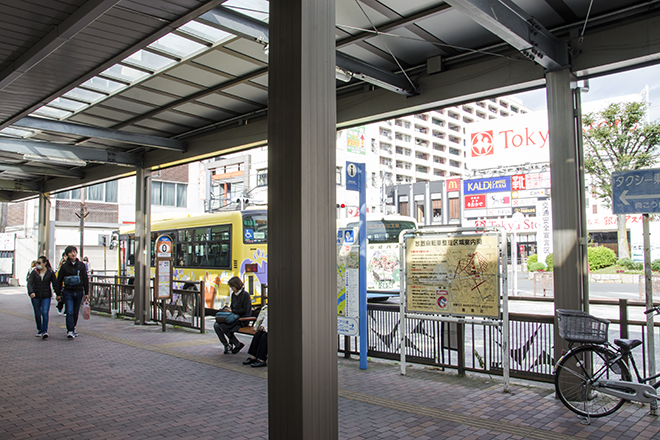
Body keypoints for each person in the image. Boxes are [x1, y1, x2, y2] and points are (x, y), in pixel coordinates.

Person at [54, 246, 89, 339]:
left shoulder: (81, 265)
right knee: (69, 311)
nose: (73, 254)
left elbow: (85, 278)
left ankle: (72, 328)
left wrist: (86, 292)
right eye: (70, 252)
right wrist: (58, 293)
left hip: (78, 291)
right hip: (68, 291)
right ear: (67, 255)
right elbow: (59, 280)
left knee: (75, 311)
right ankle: (70, 330)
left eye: (74, 252)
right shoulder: (64, 266)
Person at [213, 276, 251, 354]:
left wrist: (232, 310)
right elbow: (232, 307)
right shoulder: (233, 295)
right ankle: (227, 345)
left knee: (223, 326)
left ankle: (237, 344)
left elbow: (245, 310)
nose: (231, 288)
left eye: (232, 286)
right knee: (216, 325)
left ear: (236, 286)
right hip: (233, 317)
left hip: (242, 319)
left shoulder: (245, 295)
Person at [27, 256, 57, 339]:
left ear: (45, 263)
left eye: (39, 263)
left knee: (45, 312)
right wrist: (31, 292)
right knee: (37, 313)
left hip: (46, 295)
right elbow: (29, 283)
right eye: (37, 263)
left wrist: (58, 294)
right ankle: (39, 329)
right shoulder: (34, 272)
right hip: (35, 296)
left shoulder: (50, 272)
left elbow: (55, 283)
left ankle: (44, 330)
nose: (38, 264)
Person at [55, 251, 67, 316]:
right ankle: (59, 307)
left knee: (66, 299)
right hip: (62, 285)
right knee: (62, 299)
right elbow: (58, 276)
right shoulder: (62, 263)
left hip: (67, 285)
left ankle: (66, 311)